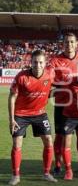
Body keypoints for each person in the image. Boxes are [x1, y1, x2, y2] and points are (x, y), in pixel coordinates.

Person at [8, 50, 57, 185]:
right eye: (35, 62)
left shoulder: (50, 75)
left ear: (45, 63)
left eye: (41, 62)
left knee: (48, 141)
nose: (38, 65)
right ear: (31, 62)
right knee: (17, 144)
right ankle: (16, 175)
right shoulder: (21, 77)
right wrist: (12, 119)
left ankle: (46, 173)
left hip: (40, 113)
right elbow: (12, 98)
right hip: (20, 114)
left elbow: (50, 91)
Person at [49, 33, 78, 175]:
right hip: (62, 103)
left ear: (76, 43)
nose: (69, 44)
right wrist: (67, 85)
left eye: (72, 42)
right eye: (66, 42)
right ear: (63, 44)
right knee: (60, 135)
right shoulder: (55, 61)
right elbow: (51, 81)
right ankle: (58, 165)